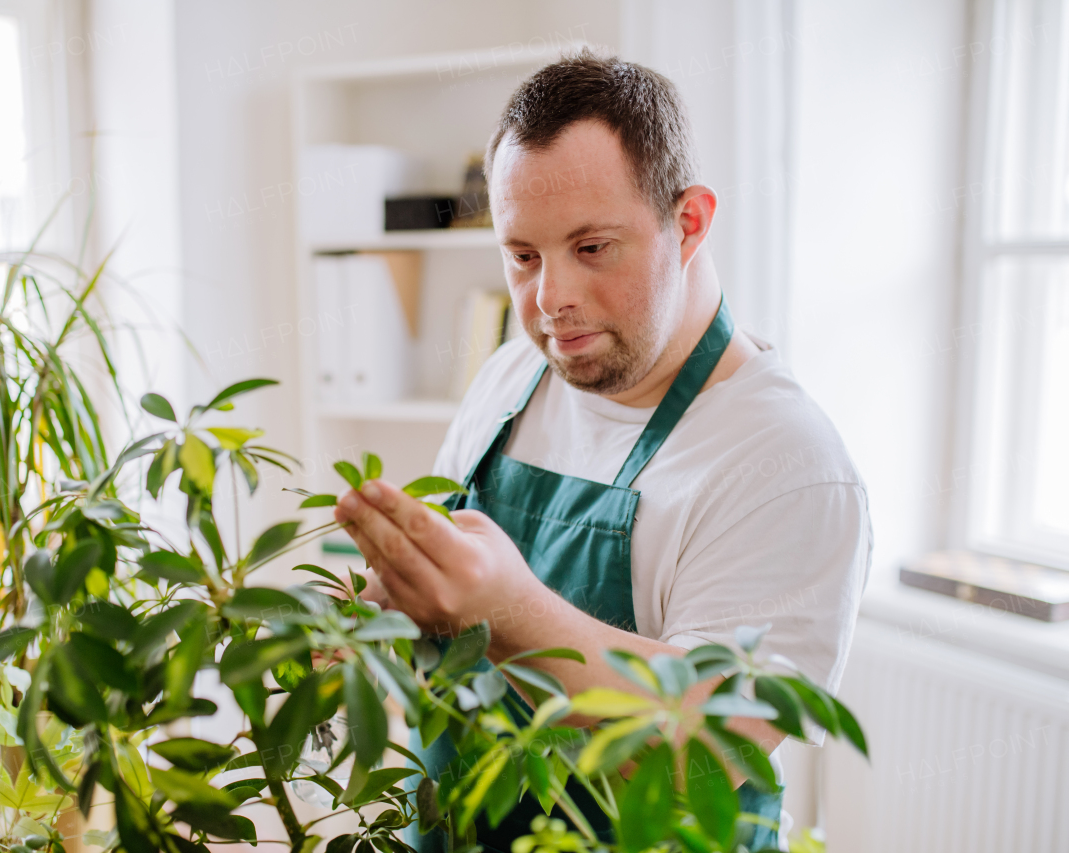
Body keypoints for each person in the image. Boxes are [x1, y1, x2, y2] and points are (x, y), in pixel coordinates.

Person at [333, 50, 871, 853]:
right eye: (523, 256)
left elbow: (704, 754)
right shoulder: (511, 376)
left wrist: (507, 610)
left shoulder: (786, 464)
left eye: (591, 248)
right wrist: (386, 610)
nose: (551, 301)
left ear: (688, 222)